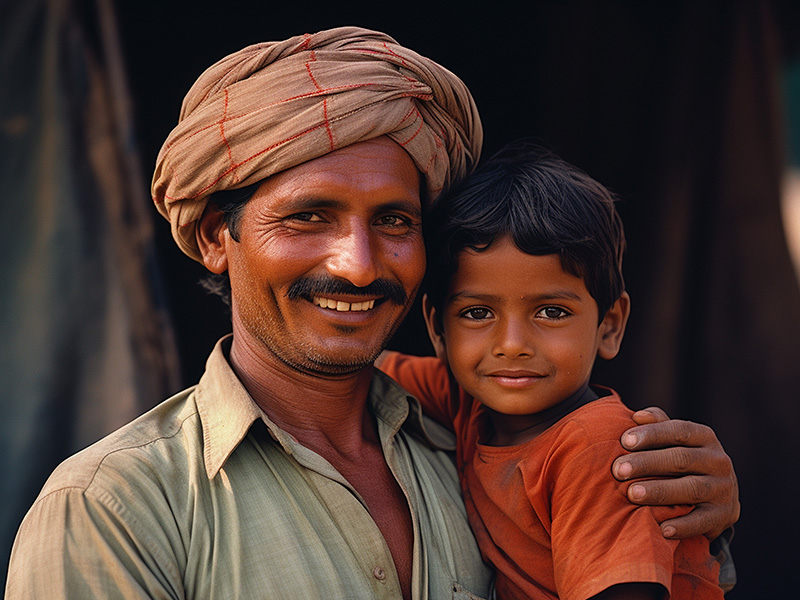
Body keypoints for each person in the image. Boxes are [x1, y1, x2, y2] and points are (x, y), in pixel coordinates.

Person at [5, 27, 738, 600]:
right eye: (308, 217)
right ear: (213, 237)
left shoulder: (470, 433)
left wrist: (697, 505)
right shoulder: (115, 509)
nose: (359, 264)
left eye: (393, 220)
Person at [378, 141, 728, 599]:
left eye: (552, 312)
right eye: (478, 314)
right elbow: (353, 374)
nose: (512, 346)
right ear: (437, 329)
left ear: (610, 326)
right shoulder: (465, 400)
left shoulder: (596, 449)